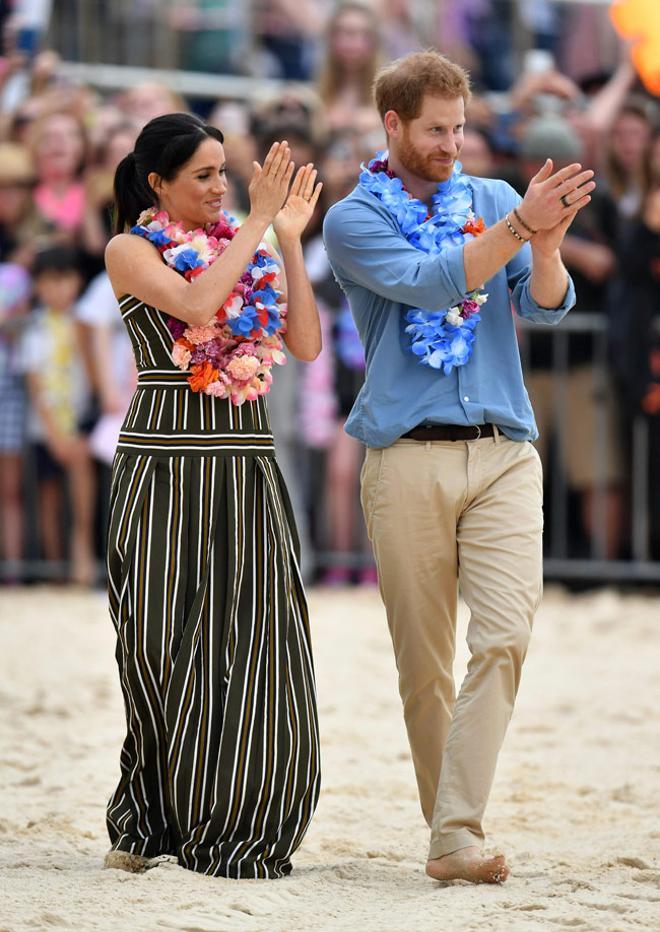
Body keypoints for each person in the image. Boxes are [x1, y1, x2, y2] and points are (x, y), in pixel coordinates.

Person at [324, 50, 592, 884]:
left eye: (462, 128)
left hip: (506, 447)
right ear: (393, 124)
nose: (453, 144)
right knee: (424, 664)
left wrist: (545, 246)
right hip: (405, 456)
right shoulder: (350, 220)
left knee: (507, 635)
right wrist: (518, 228)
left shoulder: (496, 199)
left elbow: (542, 308)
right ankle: (455, 841)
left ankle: (454, 834)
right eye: (437, 130)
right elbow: (437, 282)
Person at [102, 112, 322, 879]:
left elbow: (303, 345)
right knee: (159, 646)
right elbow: (195, 308)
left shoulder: (248, 239)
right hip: (163, 467)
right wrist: (257, 224)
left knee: (257, 645)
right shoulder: (128, 248)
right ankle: (157, 815)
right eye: (203, 174)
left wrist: (285, 237)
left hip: (244, 462)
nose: (221, 186)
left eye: (224, 172)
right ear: (158, 183)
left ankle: (245, 815)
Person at [20, 245, 96, 586]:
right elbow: (35, 382)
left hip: (81, 420)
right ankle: (54, 567)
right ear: (38, 286)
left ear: (77, 281)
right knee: (47, 495)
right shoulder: (33, 326)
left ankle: (82, 551)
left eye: (63, 280)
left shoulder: (86, 322)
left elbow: (96, 374)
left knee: (82, 485)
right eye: (48, 282)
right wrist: (53, 433)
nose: (57, 289)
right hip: (44, 427)